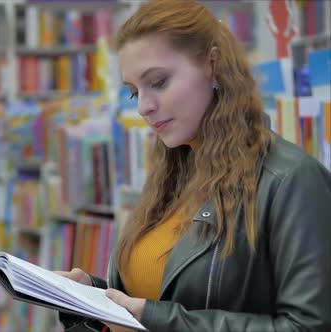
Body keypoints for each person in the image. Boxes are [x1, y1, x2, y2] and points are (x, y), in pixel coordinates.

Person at [58, 0, 331, 331]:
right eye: (133, 92)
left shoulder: (290, 180)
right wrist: (94, 296)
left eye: (158, 82)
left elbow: (308, 326)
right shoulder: (171, 175)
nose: (144, 106)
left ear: (212, 66)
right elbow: (161, 295)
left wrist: (155, 318)